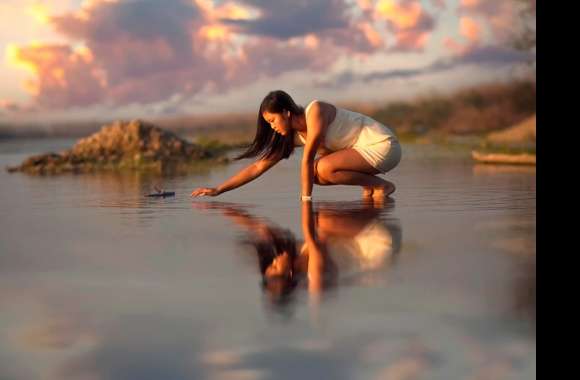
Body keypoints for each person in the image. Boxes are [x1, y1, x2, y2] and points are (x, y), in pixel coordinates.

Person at [191, 90, 402, 201]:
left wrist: (306, 200)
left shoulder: (316, 110)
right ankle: (371, 190)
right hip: (363, 153)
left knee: (319, 168)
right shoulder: (294, 137)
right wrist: (219, 189)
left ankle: (381, 186)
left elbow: (308, 159)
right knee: (317, 177)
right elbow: (258, 167)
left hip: (383, 145)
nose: (272, 127)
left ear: (286, 112)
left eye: (273, 121)